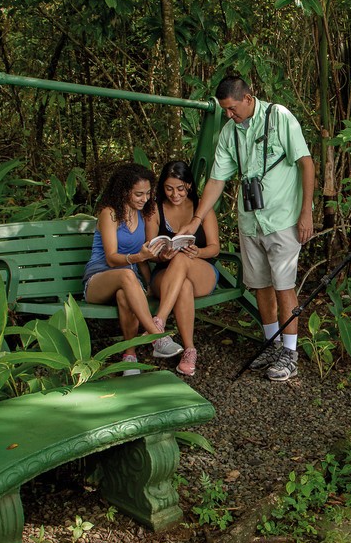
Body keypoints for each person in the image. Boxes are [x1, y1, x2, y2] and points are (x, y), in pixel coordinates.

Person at [180, 75, 314, 382]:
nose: (228, 114)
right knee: (260, 285)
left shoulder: (278, 116)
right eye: (225, 110)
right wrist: (197, 219)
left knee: (284, 286)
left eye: (231, 108)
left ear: (248, 99)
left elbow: (306, 162)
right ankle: (271, 343)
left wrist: (306, 211)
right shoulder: (230, 132)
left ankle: (290, 353)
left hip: (283, 217)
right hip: (251, 219)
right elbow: (217, 180)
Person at [81, 162, 168, 375]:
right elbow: (111, 259)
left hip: (127, 280)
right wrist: (139, 256)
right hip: (98, 279)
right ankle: (156, 336)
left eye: (147, 193)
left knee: (125, 294)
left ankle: (129, 355)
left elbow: (142, 259)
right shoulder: (109, 213)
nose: (144, 199)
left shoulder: (142, 214)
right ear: (123, 191)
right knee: (127, 276)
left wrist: (147, 283)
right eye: (139, 194)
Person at [146, 160, 220, 377]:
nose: (175, 194)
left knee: (182, 260)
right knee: (182, 284)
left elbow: (214, 248)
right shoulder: (155, 209)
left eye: (180, 188)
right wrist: (162, 255)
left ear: (189, 185)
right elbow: (151, 250)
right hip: (165, 274)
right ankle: (189, 350)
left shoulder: (201, 208)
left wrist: (198, 252)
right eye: (169, 188)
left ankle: (158, 322)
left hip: (201, 269)